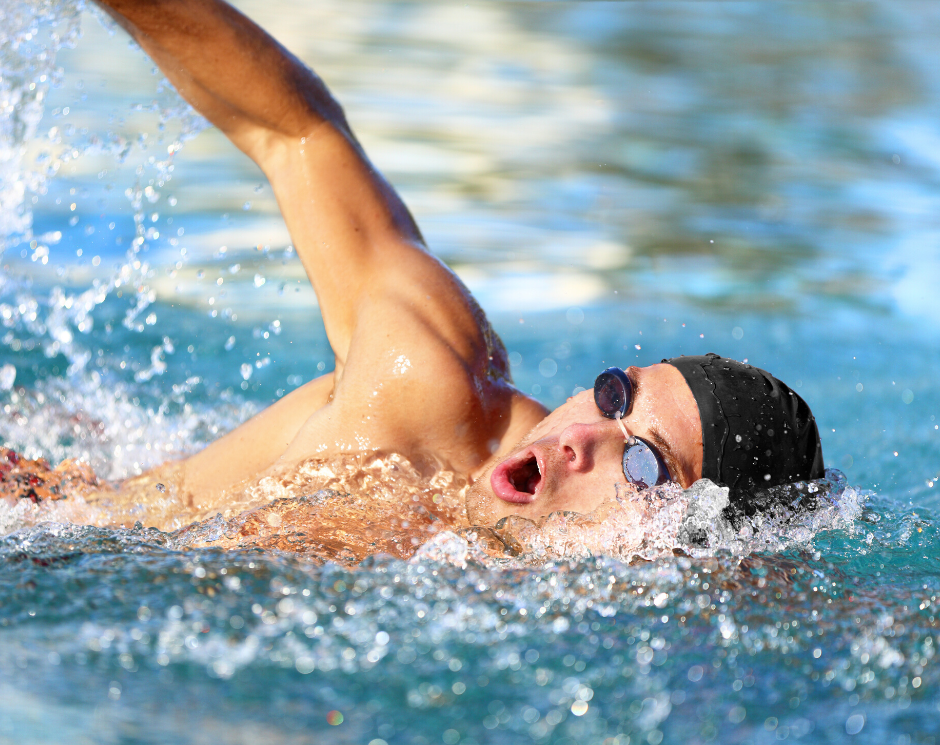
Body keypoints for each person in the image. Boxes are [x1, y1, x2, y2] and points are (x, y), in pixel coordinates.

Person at [88, 0, 823, 536]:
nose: (583, 437)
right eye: (613, 397)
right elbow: (296, 130)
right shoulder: (425, 394)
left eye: (645, 465)